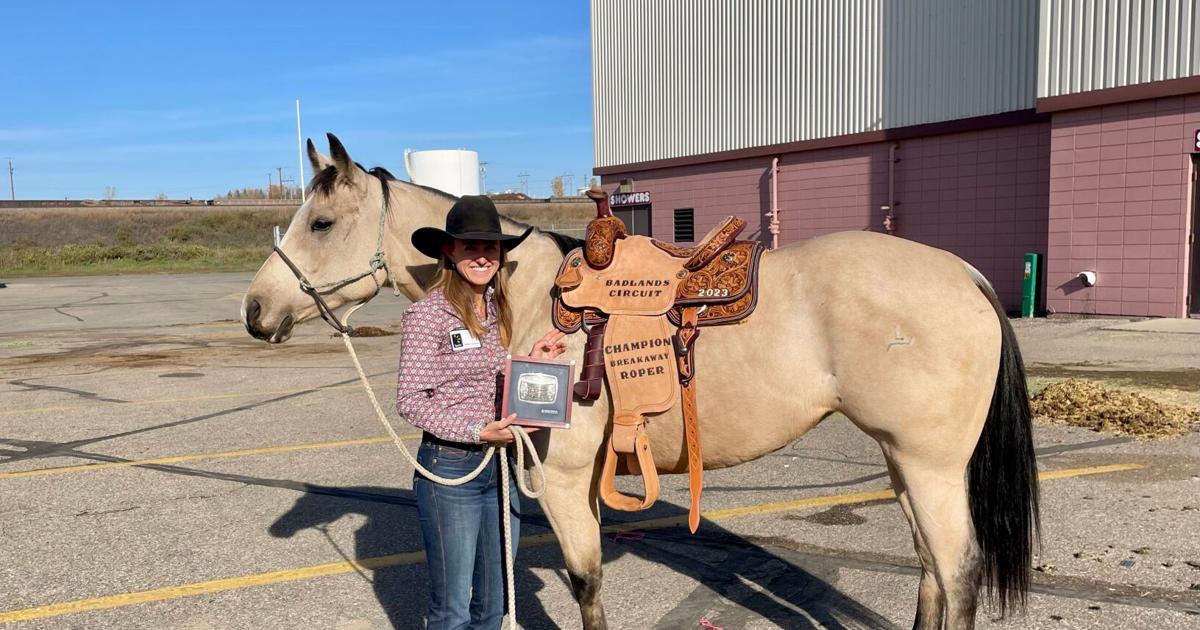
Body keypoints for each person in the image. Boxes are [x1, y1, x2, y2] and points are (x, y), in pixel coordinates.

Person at [396, 195, 566, 629]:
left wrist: (534, 358)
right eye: (469, 247)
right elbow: (411, 400)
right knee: (452, 608)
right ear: (449, 252)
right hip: (451, 470)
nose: (481, 257)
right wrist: (476, 431)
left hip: (502, 468)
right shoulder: (427, 314)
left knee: (495, 602)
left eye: (490, 248)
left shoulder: (497, 310)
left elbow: (491, 378)